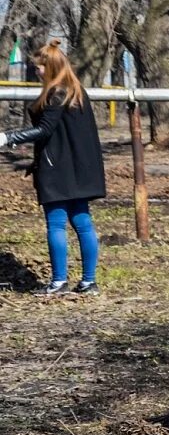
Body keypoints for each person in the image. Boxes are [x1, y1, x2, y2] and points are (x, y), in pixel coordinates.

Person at [0, 41, 105, 296]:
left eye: (39, 66)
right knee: (82, 221)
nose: (36, 70)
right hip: (80, 166)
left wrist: (8, 137)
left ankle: (59, 282)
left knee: (56, 223)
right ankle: (89, 281)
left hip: (57, 167)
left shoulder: (56, 93)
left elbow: (44, 130)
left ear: (51, 66)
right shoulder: (76, 90)